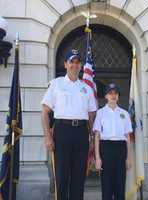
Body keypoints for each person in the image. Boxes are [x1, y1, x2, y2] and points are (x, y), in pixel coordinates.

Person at [41, 49, 97, 200]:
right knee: (61, 176)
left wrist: (91, 138)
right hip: (62, 131)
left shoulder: (87, 89)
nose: (75, 65)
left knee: (79, 176)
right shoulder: (56, 84)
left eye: (77, 62)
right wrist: (48, 137)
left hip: (81, 133)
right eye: (71, 61)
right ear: (65, 64)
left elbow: (91, 115)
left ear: (80, 66)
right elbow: (45, 112)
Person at [93, 83, 132, 200]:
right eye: (110, 93)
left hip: (121, 149)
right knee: (107, 185)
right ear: (106, 96)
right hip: (106, 149)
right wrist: (98, 157)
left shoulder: (125, 114)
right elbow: (97, 136)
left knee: (120, 184)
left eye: (115, 93)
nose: (113, 96)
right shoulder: (100, 113)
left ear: (118, 96)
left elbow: (128, 137)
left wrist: (128, 158)